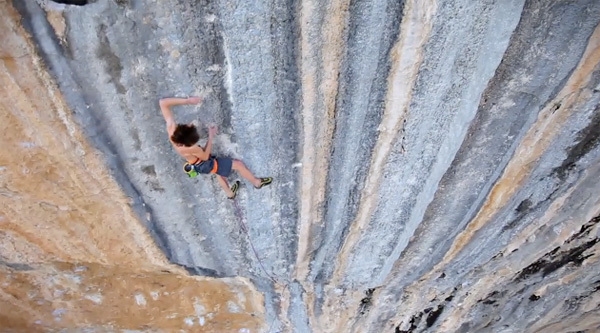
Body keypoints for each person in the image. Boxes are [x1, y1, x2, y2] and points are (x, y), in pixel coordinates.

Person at [159, 96, 272, 199]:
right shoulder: (192, 148)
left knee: (219, 172)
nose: (189, 124)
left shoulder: (171, 131)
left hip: (196, 162)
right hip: (203, 163)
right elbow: (205, 156)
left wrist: (188, 101)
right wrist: (211, 136)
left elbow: (163, 103)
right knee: (238, 165)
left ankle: (230, 194)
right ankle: (257, 183)